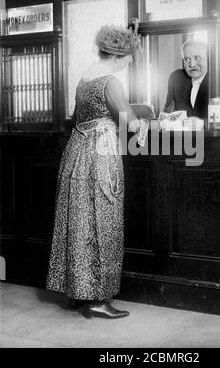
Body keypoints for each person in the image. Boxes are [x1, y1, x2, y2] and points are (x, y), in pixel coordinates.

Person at [46, 24, 157, 319]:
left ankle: (80, 295)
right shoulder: (111, 82)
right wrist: (151, 122)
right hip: (100, 155)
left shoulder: (86, 77)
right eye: (130, 56)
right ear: (119, 55)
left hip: (76, 153)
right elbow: (131, 124)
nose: (131, 61)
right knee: (103, 222)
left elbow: (80, 116)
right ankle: (97, 299)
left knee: (79, 222)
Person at [164, 40, 209, 118]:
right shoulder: (176, 78)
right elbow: (168, 114)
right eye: (186, 59)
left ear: (208, 59)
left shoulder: (216, 81)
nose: (192, 64)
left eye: (197, 58)